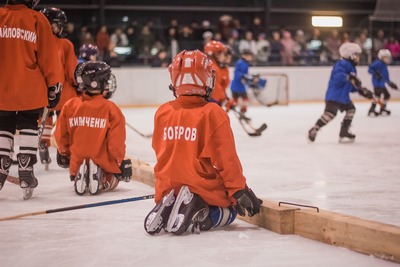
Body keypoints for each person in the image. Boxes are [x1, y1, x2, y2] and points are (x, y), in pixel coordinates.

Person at [144, 50, 262, 235]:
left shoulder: (163, 111)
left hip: (167, 186)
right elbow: (226, 160)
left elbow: (159, 151)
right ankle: (199, 215)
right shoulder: (213, 113)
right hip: (200, 187)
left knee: (177, 183)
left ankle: (171, 204)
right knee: (230, 213)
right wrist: (239, 191)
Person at [0, 0, 63, 196]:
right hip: (30, 87)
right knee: (28, 122)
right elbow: (48, 57)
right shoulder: (37, 19)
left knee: (3, 124)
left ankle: (2, 162)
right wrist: (54, 84)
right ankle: (26, 164)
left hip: (2, 86)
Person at [54, 61, 132, 195]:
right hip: (103, 162)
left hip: (76, 162)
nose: (108, 83)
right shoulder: (111, 108)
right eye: (106, 80)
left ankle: (78, 172)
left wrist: (64, 153)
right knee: (116, 179)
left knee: (77, 158)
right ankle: (103, 180)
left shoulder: (69, 105)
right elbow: (116, 144)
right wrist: (120, 162)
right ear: (98, 82)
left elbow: (61, 136)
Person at [308, 43, 374, 143]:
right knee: (330, 114)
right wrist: (350, 78)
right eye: (357, 54)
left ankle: (344, 131)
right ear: (350, 55)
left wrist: (362, 91)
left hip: (343, 97)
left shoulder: (352, 68)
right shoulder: (342, 64)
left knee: (351, 109)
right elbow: (339, 76)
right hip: (334, 96)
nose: (358, 57)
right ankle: (314, 129)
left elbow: (351, 86)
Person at [39, 7, 78, 168]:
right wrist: (79, 86)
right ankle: (63, 151)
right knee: (63, 123)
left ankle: (43, 142)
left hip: (43, 92)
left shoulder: (37, 43)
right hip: (64, 93)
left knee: (46, 119)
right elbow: (71, 71)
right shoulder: (65, 44)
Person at [367, 49, 398, 116]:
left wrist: (390, 83)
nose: (387, 59)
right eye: (386, 57)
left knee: (387, 95)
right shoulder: (378, 63)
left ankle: (382, 108)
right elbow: (370, 69)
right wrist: (375, 73)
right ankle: (372, 109)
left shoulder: (384, 65)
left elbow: (385, 77)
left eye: (388, 57)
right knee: (377, 96)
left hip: (382, 84)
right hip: (377, 84)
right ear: (381, 57)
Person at [204, 40, 230, 106]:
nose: (223, 56)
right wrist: (224, 99)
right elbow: (216, 88)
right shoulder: (213, 68)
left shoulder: (209, 65)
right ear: (216, 54)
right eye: (222, 53)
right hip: (212, 101)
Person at [230, 49, 255, 116]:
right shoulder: (240, 63)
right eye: (250, 56)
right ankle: (242, 110)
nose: (251, 58)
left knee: (236, 98)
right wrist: (244, 77)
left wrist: (247, 78)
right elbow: (237, 73)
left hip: (236, 85)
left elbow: (244, 74)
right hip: (238, 85)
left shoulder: (245, 63)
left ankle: (237, 109)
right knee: (244, 98)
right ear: (245, 56)